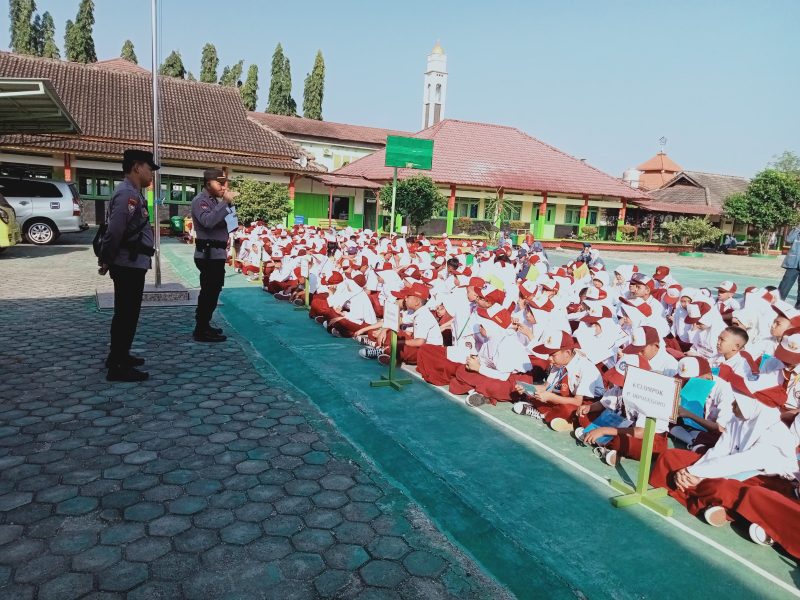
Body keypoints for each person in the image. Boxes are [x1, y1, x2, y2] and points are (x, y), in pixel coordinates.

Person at [99, 149, 158, 382]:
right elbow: (114, 232)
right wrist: (106, 258)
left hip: (132, 262)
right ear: (136, 167)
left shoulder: (133, 193)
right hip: (128, 264)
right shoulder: (127, 194)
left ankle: (119, 355)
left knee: (127, 313)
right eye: (149, 167)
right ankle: (118, 366)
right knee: (126, 314)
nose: (151, 172)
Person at [191, 168, 237, 342]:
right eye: (220, 183)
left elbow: (232, 226)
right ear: (208, 183)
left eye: (224, 183)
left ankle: (205, 325)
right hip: (207, 254)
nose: (224, 187)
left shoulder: (217, 202)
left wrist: (230, 206)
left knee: (214, 291)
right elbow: (208, 222)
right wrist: (224, 203)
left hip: (217, 254)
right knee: (208, 292)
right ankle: (200, 329)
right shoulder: (200, 201)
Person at [778, 225, 800, 307]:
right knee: (784, 285)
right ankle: (777, 304)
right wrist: (798, 228)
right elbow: (788, 239)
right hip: (793, 263)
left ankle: (798, 310)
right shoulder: (796, 230)